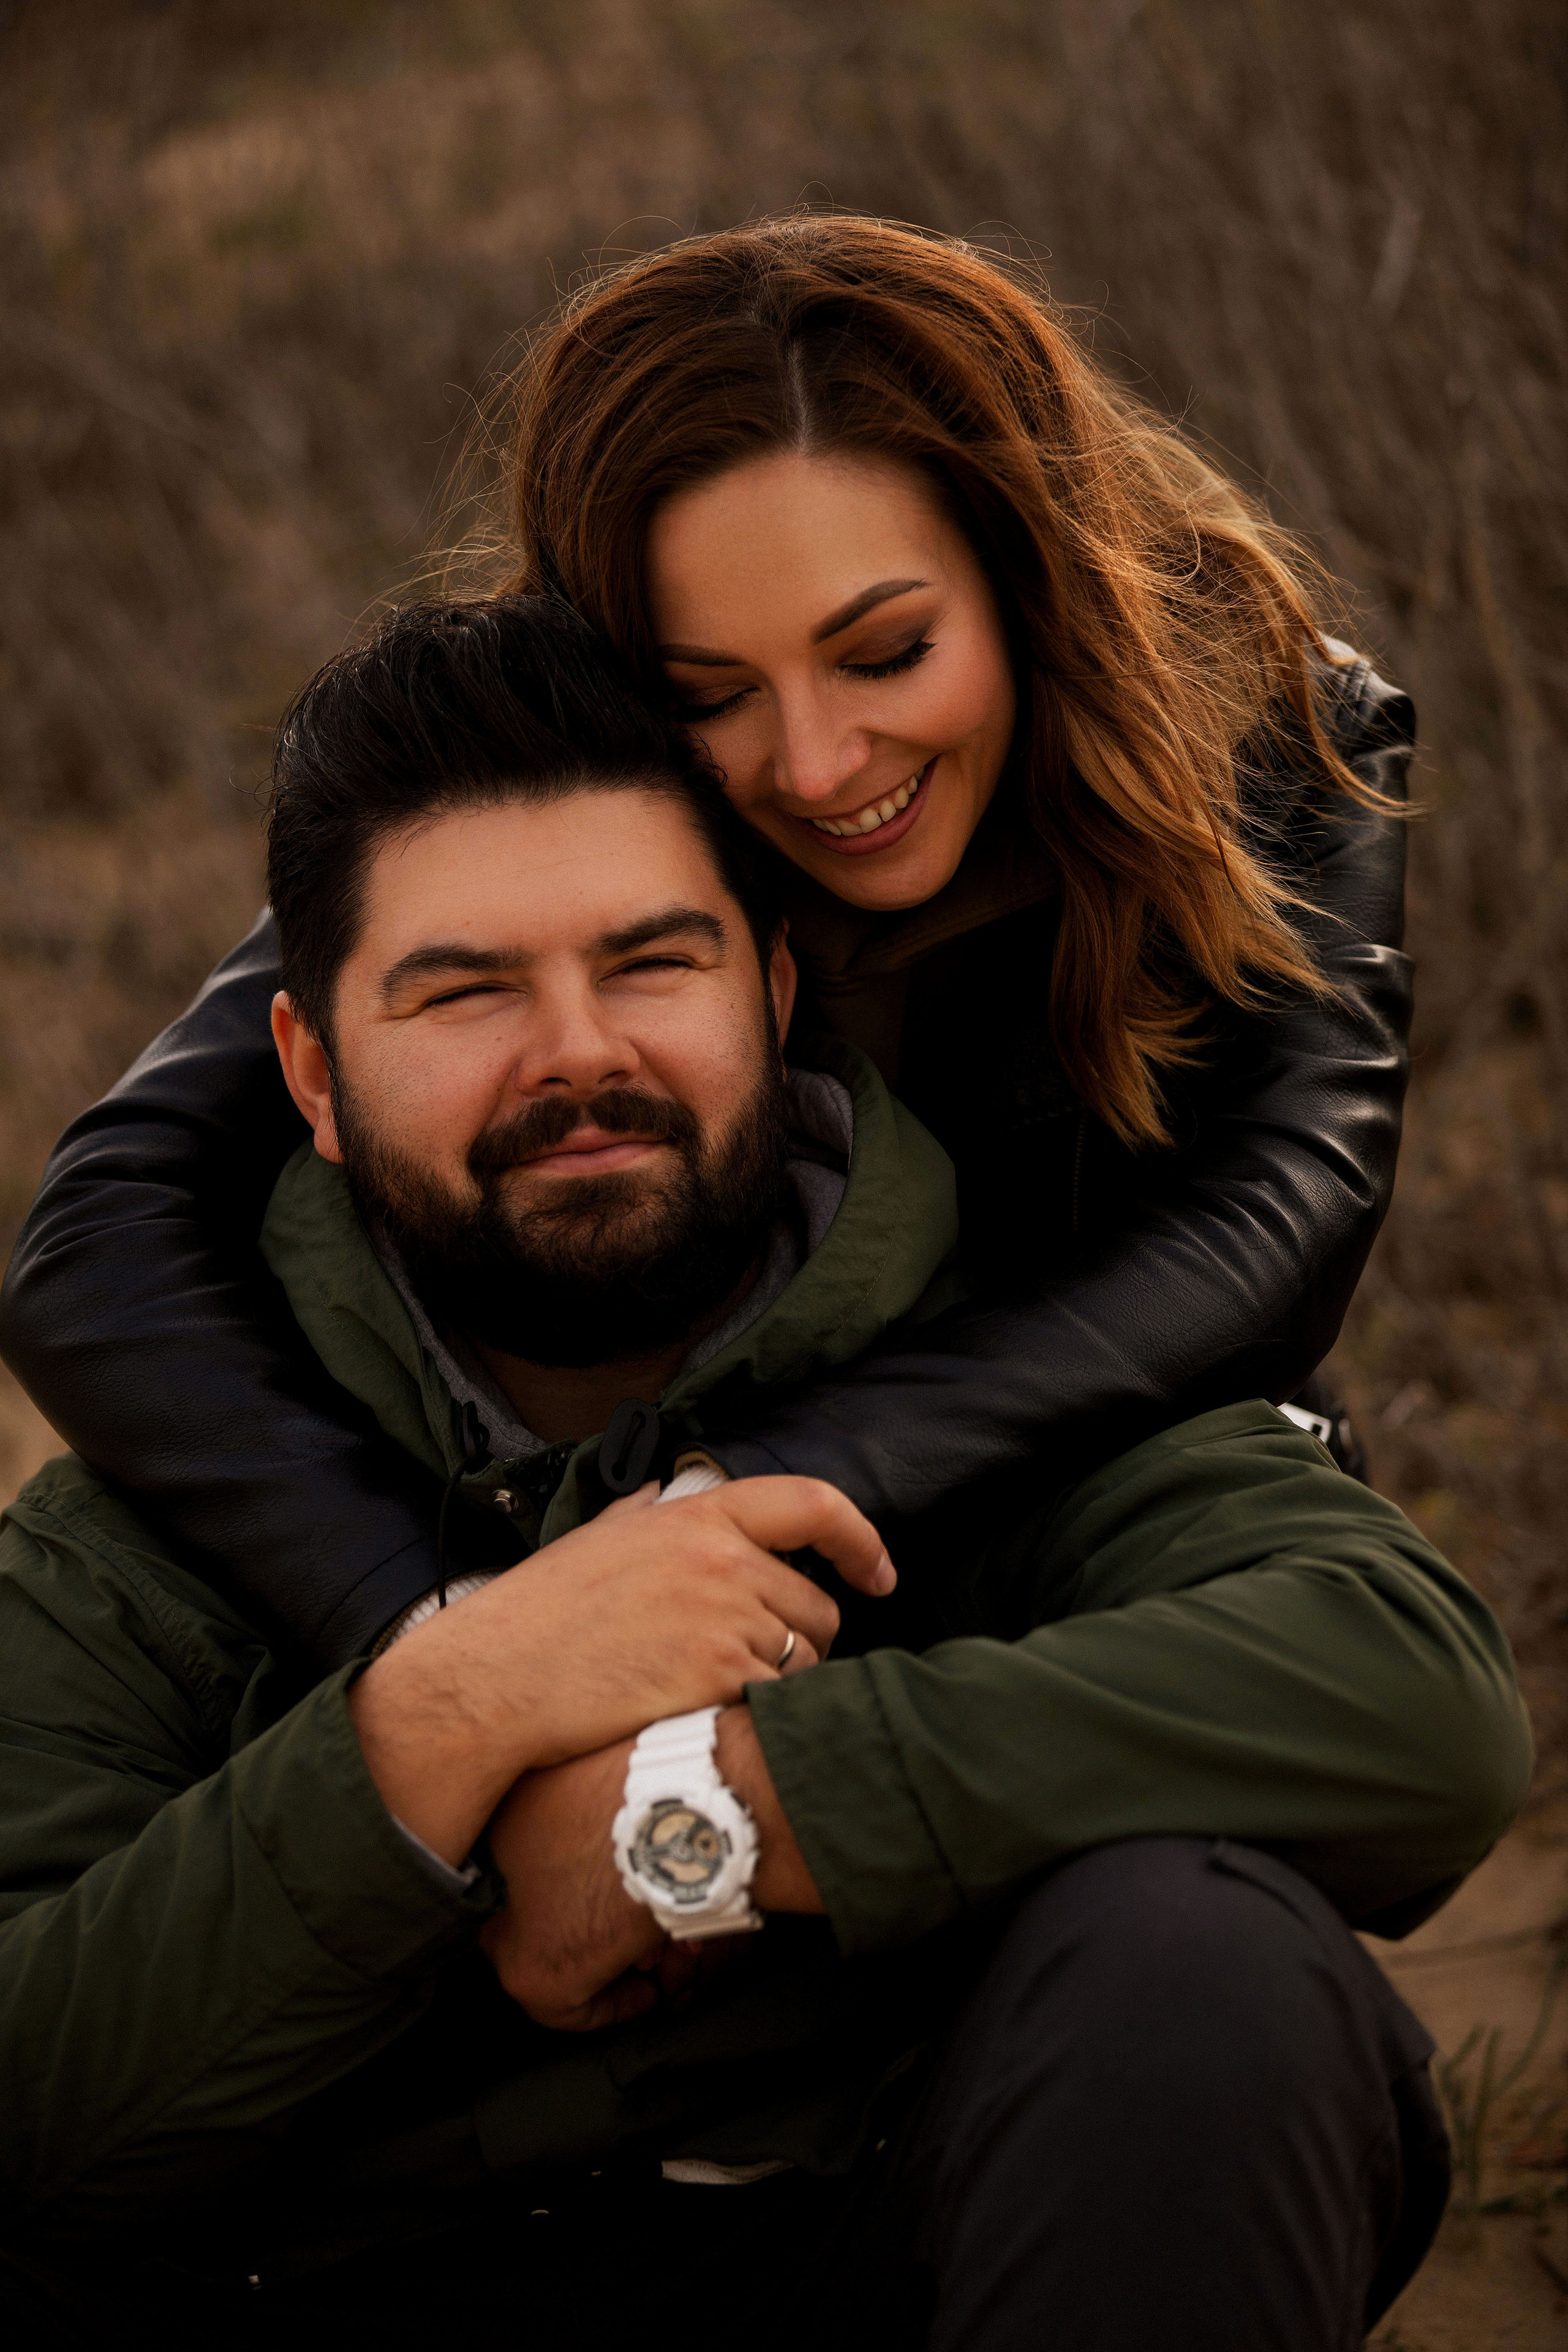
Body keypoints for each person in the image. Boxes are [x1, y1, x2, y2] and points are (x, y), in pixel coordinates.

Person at [0, 601, 1526, 2351]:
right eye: (465, 991)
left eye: (652, 962)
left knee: (1204, 1968)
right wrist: (433, 1729)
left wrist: (711, 1818)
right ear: (311, 1078)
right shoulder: (164, 1508)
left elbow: (1411, 1698)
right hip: (329, 2284)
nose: (576, 1052)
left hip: (884, 2257)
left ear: (777, 990)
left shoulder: (1006, 1367)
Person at [0, 216, 1414, 1667]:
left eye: (885, 654)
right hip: (606, 1578)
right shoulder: (555, 801)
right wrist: (437, 1620)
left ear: (1025, 576)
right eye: (708, 691)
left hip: (1091, 1516)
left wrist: (745, 1487)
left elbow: (1278, 1213)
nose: (812, 765)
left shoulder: (1266, 731)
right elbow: (98, 1238)